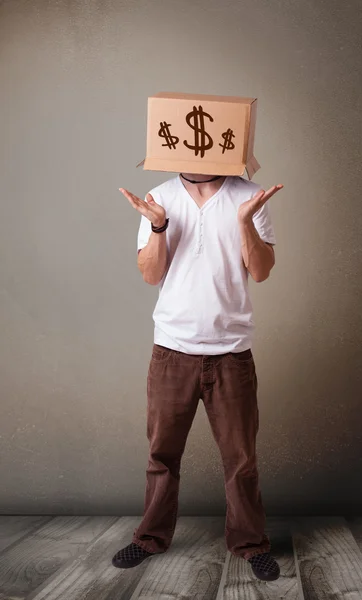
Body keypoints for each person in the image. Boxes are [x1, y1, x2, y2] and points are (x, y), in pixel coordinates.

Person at [111, 172, 284, 581]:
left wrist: (244, 223)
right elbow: (151, 275)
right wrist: (158, 225)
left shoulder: (250, 195)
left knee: (241, 460)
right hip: (172, 350)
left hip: (231, 354)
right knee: (161, 455)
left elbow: (261, 272)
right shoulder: (161, 197)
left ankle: (250, 543)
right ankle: (149, 537)